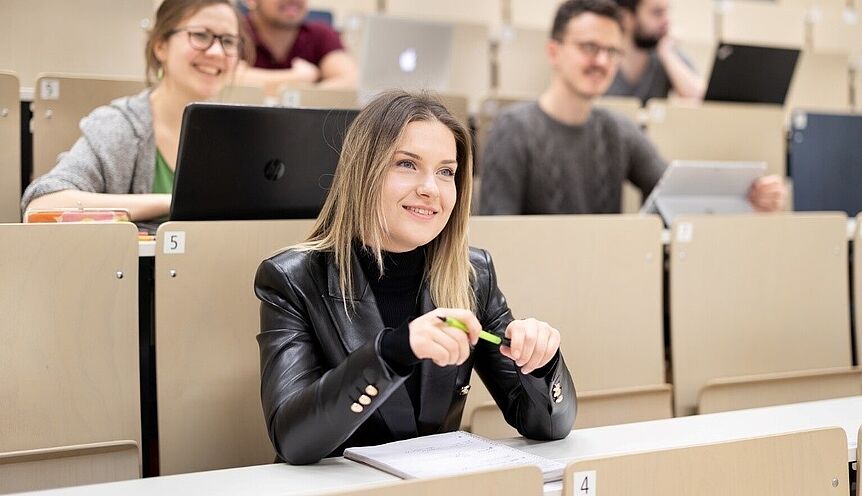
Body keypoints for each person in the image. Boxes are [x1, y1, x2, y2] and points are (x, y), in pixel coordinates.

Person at [254, 90, 577, 465]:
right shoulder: (292, 279)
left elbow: (549, 427)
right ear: (364, 170)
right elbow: (293, 439)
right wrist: (392, 352)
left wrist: (542, 363)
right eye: (407, 164)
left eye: (446, 172)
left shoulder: (474, 275)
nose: (430, 188)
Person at [479, 0, 785, 216]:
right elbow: (500, 236)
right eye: (589, 47)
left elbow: (674, 191)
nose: (601, 61)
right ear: (553, 51)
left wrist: (747, 196)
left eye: (612, 51)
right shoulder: (513, 128)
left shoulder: (618, 129)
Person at [21, 0, 251, 221]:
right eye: (201, 35)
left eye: (228, 41)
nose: (217, 52)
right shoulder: (120, 127)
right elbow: (42, 205)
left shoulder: (244, 133)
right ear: (160, 45)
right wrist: (172, 202)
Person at [236, 0, 358, 93]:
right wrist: (299, 77)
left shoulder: (321, 34)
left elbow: (350, 81)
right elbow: (225, 79)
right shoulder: (234, 31)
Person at [605, 0, 704, 102]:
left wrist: (667, 54)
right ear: (625, 18)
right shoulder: (603, 58)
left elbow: (702, 100)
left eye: (667, 12)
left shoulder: (667, 52)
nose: (667, 21)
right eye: (657, 13)